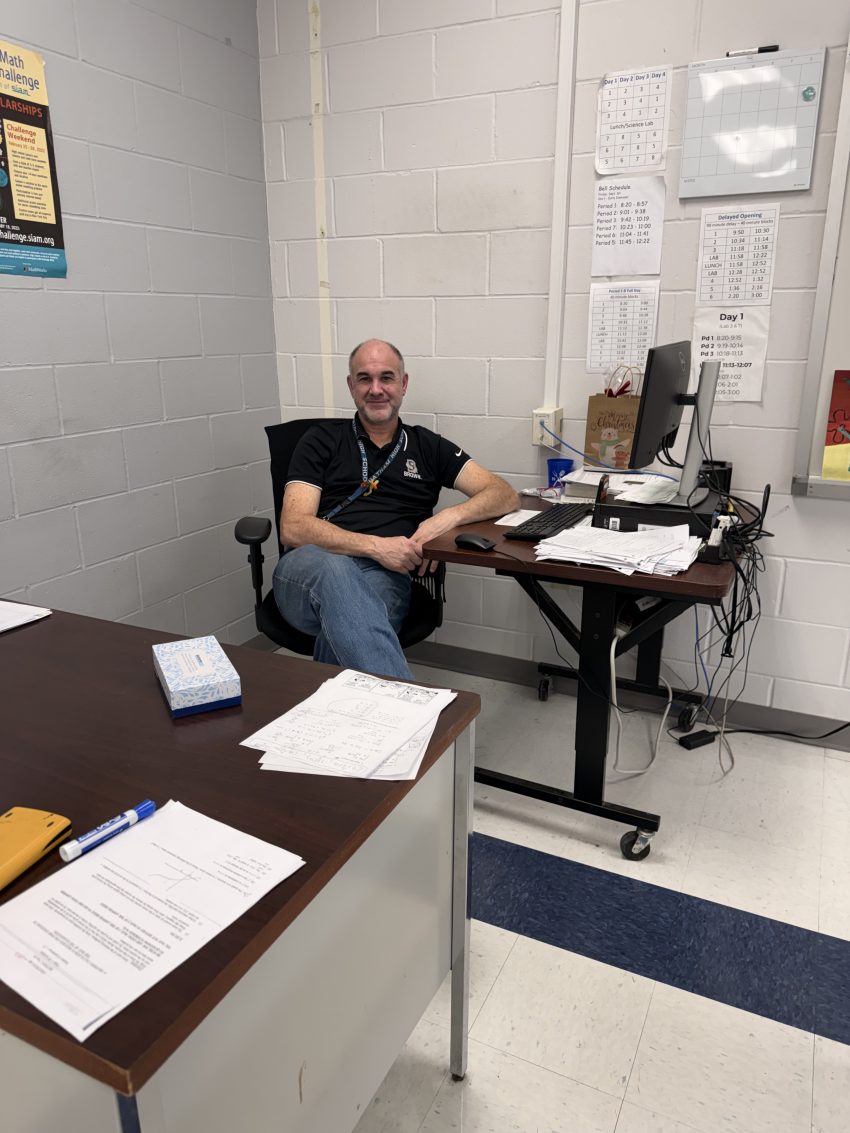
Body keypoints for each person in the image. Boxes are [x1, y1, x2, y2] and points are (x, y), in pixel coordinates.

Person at [272, 339, 519, 680]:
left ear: (403, 384)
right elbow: (293, 528)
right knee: (338, 573)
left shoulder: (427, 447)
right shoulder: (321, 440)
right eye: (364, 378)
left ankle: (339, 711)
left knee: (355, 625)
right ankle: (412, 708)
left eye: (386, 378)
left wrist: (446, 518)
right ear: (351, 386)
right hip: (312, 566)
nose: (376, 389)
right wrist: (377, 547)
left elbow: (504, 494)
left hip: (385, 575)